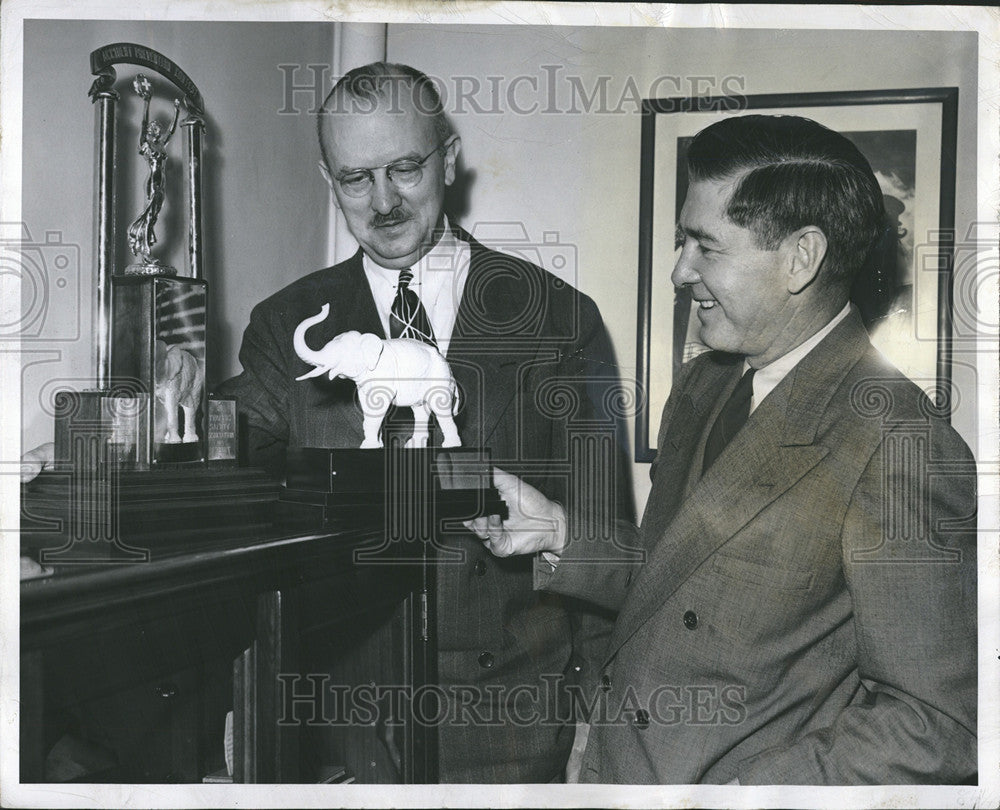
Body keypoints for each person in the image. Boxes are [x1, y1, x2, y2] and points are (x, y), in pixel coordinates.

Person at [470, 114, 977, 784]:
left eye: (705, 247)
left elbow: (935, 727)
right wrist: (558, 534)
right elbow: (679, 578)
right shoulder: (707, 384)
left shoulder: (899, 442)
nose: (680, 271)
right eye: (683, 241)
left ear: (801, 258)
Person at [217, 62, 631, 782]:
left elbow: (613, 547)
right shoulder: (285, 325)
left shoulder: (561, 320)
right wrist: (171, 409)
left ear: (449, 157)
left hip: (509, 728)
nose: (382, 201)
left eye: (405, 168)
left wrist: (607, 734)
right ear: (328, 179)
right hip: (334, 724)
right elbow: (231, 487)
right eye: (355, 179)